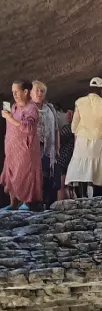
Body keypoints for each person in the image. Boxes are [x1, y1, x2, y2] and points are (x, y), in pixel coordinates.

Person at [65, 76, 102, 198]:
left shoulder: (79, 102)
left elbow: (74, 123)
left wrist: (76, 132)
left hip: (82, 138)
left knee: (81, 164)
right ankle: (94, 193)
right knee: (95, 166)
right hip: (98, 139)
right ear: (101, 90)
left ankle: (81, 194)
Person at [0, 79, 42, 212]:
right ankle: (13, 203)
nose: (14, 94)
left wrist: (10, 118)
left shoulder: (32, 108)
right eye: (13, 92)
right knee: (11, 173)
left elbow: (29, 127)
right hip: (12, 147)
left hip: (26, 148)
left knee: (25, 174)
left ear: (25, 92)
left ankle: (27, 202)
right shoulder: (13, 107)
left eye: (17, 92)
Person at [31, 80, 60, 207]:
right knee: (32, 175)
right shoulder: (26, 108)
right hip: (31, 148)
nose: (39, 93)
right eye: (36, 90)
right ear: (30, 92)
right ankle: (30, 201)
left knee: (46, 174)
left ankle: (44, 201)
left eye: (42, 91)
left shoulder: (50, 109)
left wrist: (57, 148)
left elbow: (56, 129)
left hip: (48, 148)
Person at [56, 108, 75, 201]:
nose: (67, 116)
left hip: (63, 157)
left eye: (70, 114)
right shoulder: (77, 128)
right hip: (71, 157)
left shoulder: (68, 128)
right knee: (68, 185)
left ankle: (61, 204)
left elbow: (59, 140)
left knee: (62, 184)